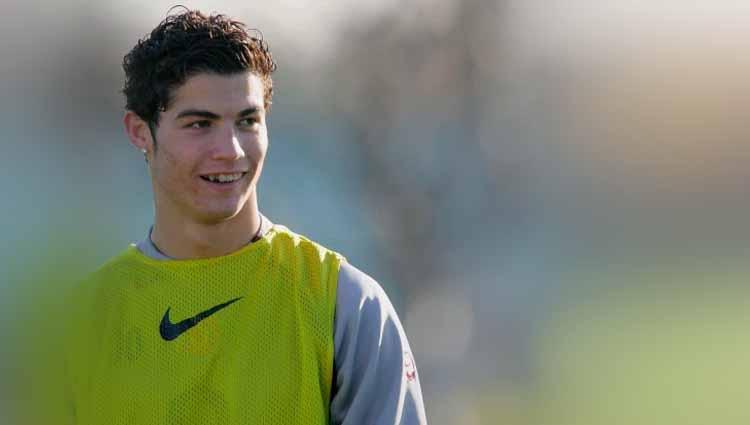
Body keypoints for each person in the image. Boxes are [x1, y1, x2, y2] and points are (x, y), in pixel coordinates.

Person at [62, 8, 427, 425]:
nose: (231, 150)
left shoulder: (345, 306)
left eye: (248, 121)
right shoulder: (82, 321)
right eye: (200, 124)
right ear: (140, 131)